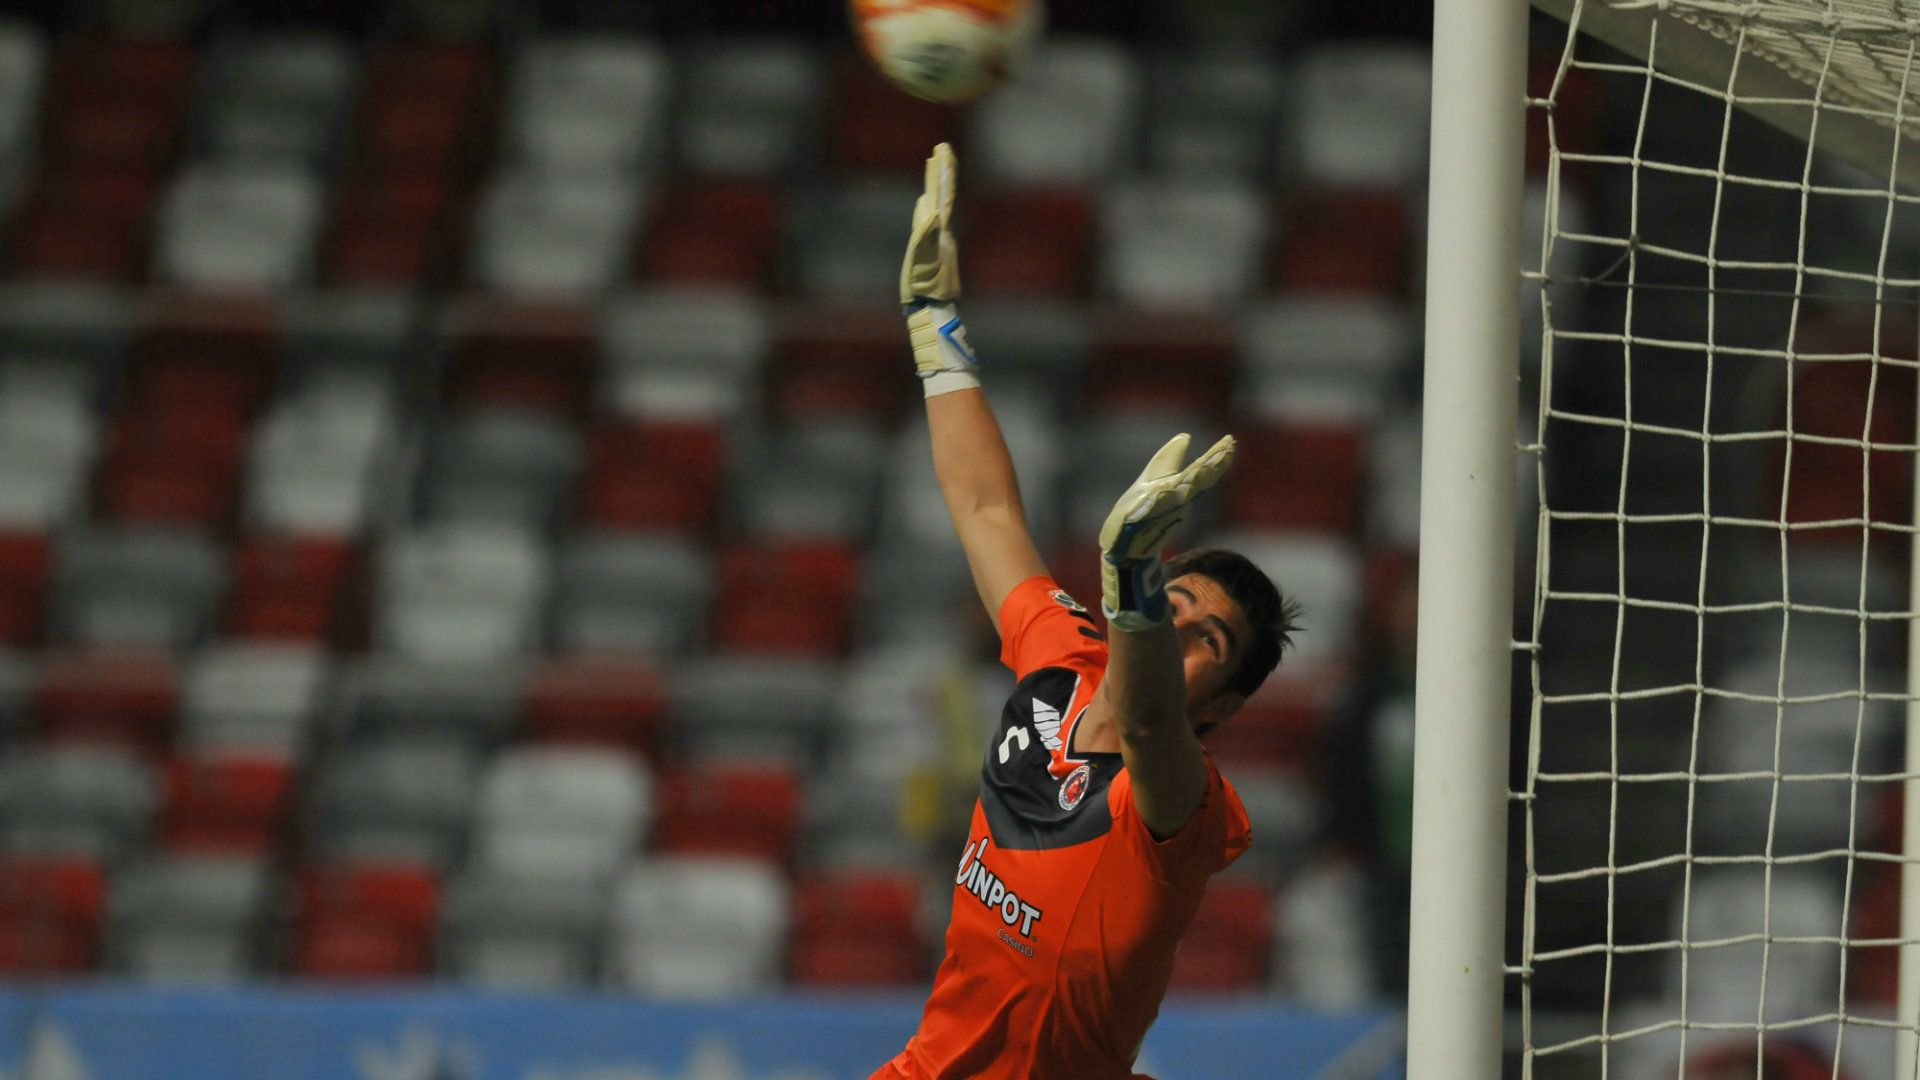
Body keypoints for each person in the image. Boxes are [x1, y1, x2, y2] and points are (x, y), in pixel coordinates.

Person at [875, 143, 1303, 1080]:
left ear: (1220, 710)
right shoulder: (1059, 657)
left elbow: (1150, 718)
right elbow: (985, 510)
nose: (1175, 634)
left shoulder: (1180, 810)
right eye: (1174, 606)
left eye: (1207, 642)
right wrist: (933, 324)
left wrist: (1136, 578)